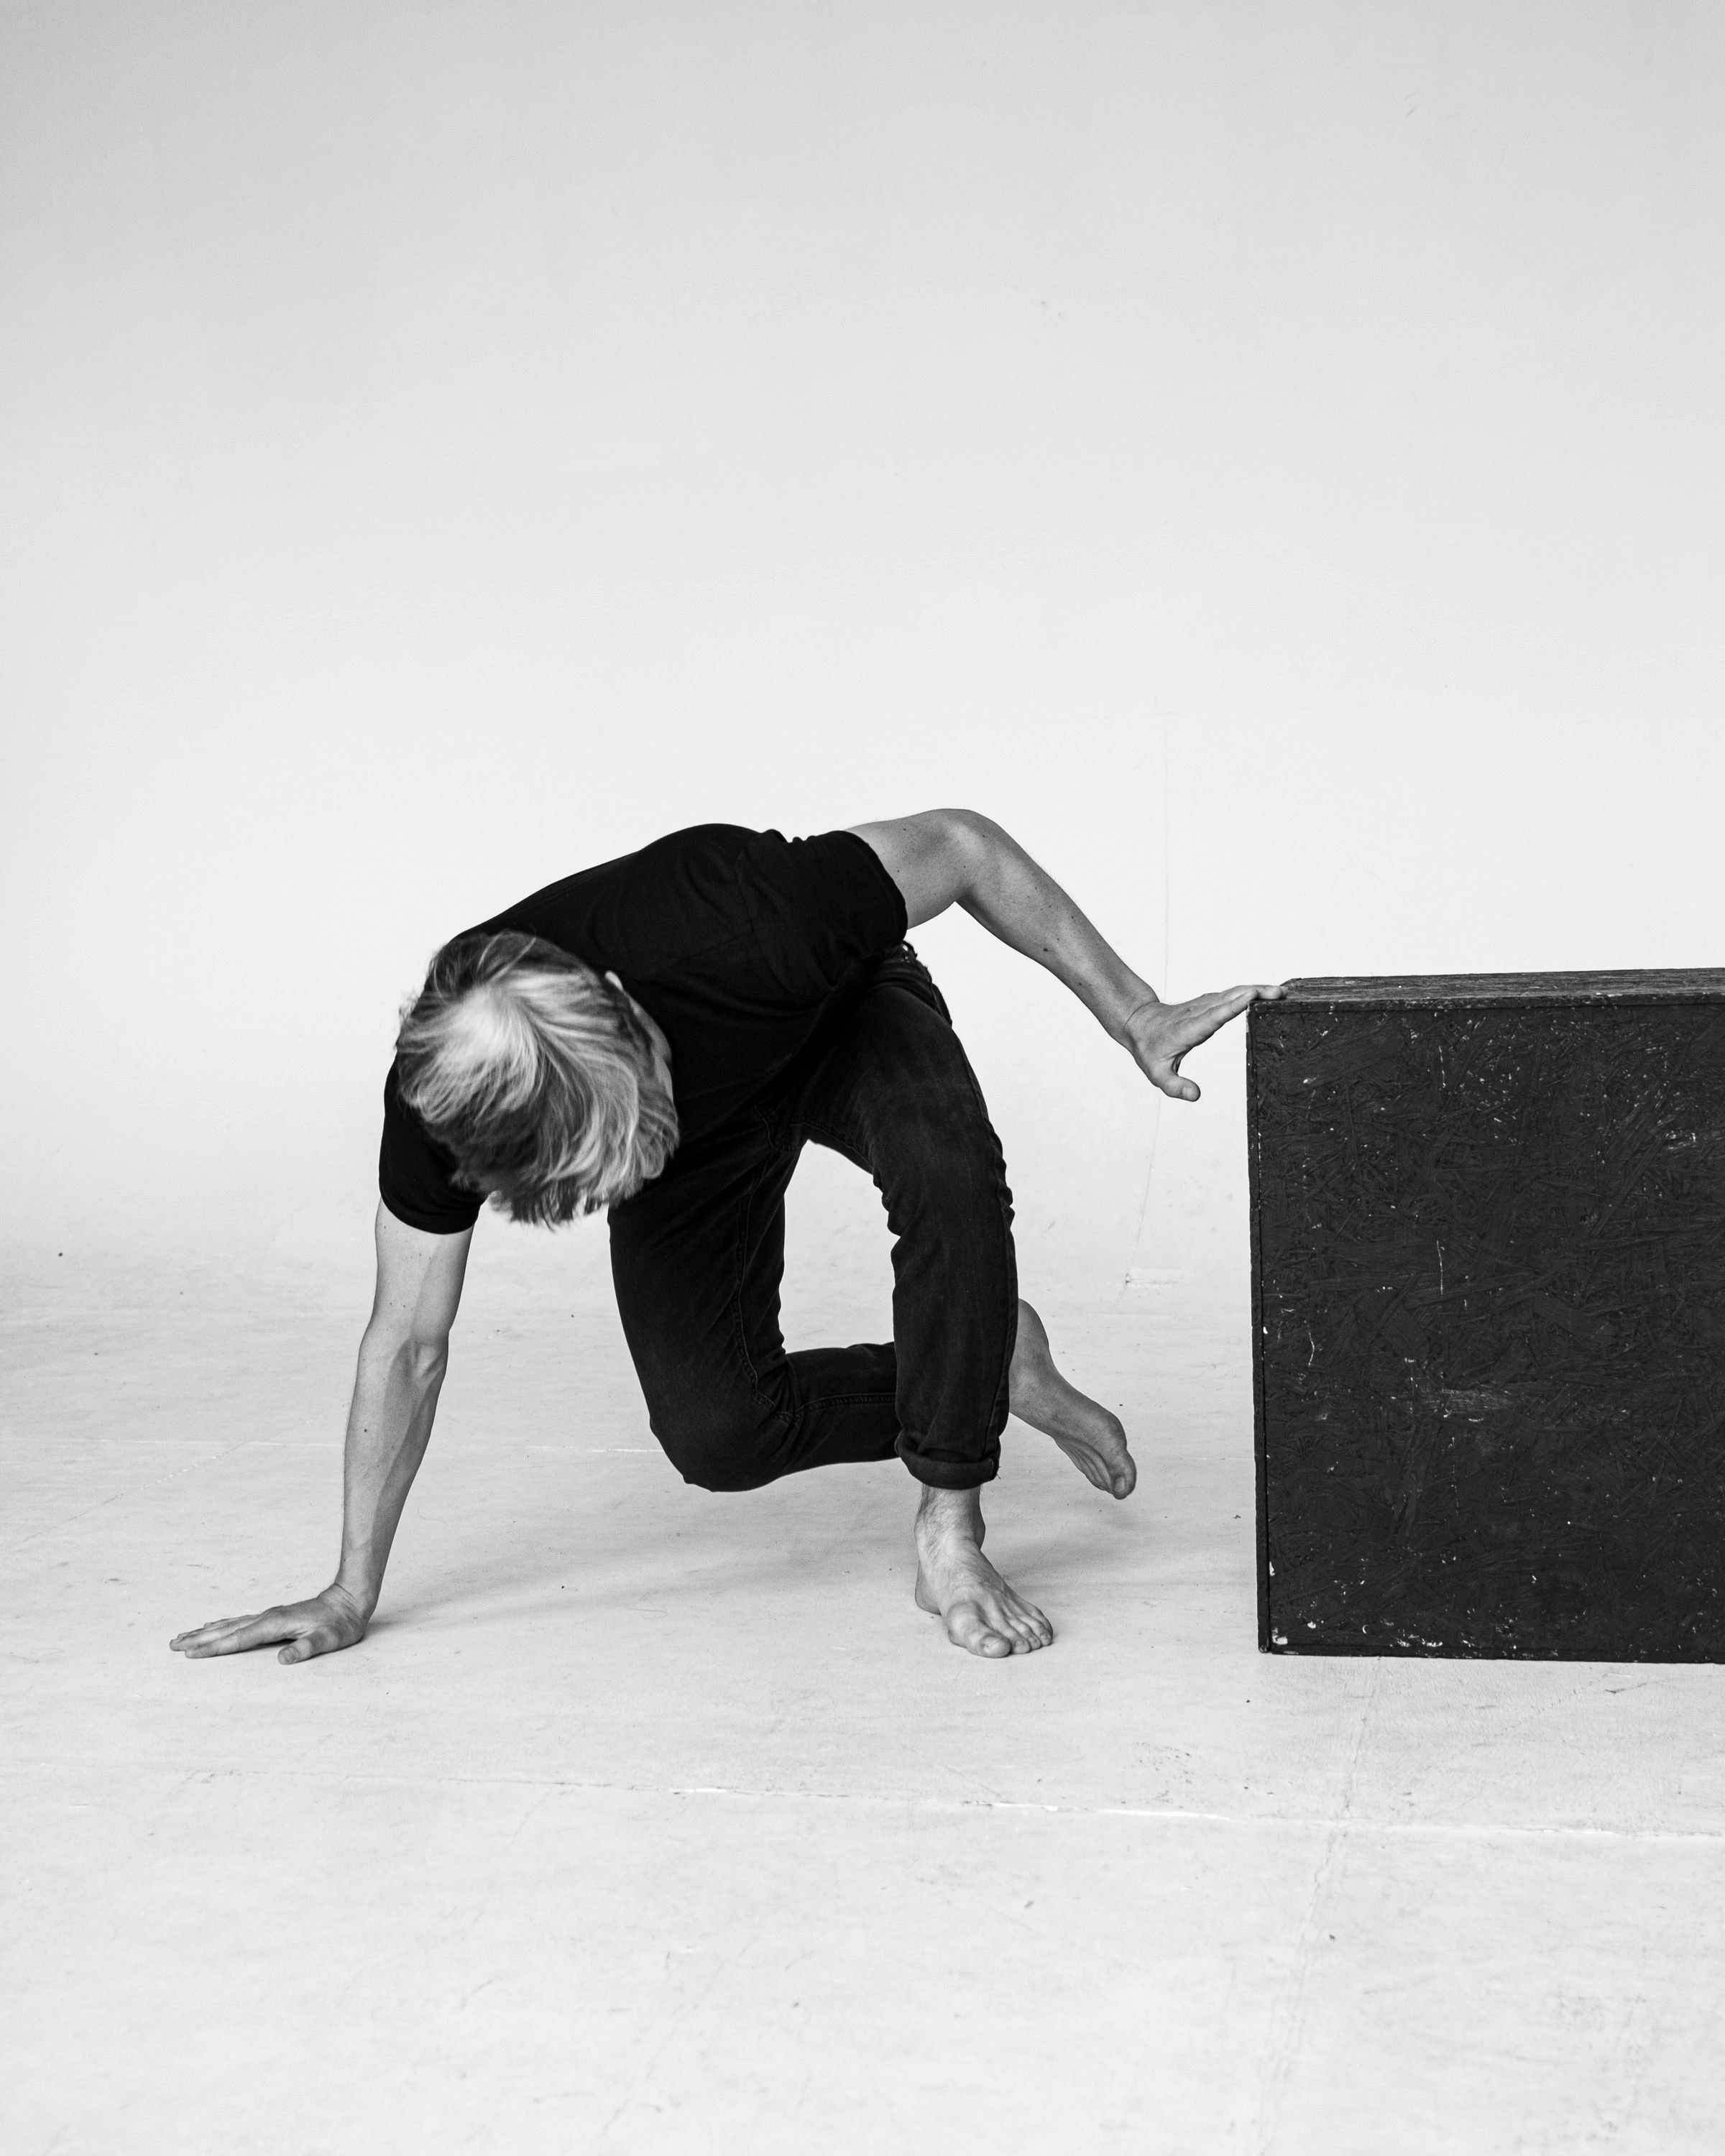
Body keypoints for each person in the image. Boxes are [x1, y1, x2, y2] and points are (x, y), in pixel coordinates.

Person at [170, 810, 1279, 1666]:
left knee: (944, 1161)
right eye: (608, 1172)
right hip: (697, 1129)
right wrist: (352, 1587)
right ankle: (992, 1358)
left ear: (623, 1009)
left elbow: (965, 845)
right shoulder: (443, 1104)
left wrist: (1134, 1010)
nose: (631, 1173)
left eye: (631, 1132)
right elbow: (407, 1340)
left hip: (835, 1021)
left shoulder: (750, 917)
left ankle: (951, 1530)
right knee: (720, 1433)